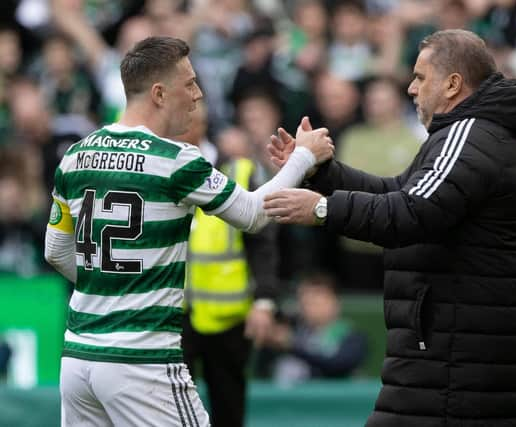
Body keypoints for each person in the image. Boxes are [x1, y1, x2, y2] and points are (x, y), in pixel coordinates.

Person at [43, 36, 333, 426]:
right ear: (160, 93)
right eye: (190, 83)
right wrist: (303, 156)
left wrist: (111, 290)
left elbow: (55, 251)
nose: (198, 95)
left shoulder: (75, 157)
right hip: (142, 361)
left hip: (79, 358)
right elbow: (252, 214)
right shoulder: (174, 160)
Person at [265, 29, 516, 426]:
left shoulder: (470, 134)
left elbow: (409, 212)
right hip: (454, 364)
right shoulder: (467, 133)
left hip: (455, 369)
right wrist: (321, 171)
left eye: (420, 77)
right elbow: (398, 191)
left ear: (452, 84)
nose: (411, 89)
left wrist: (324, 209)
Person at [180, 106, 280, 427]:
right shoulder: (161, 169)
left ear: (200, 123)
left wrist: (264, 300)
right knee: (171, 411)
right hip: (174, 315)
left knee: (229, 407)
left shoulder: (238, 171)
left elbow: (262, 242)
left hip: (229, 316)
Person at [263, 272, 367, 385]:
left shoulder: (351, 336)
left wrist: (291, 345)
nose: (309, 307)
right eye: (305, 301)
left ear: (335, 303)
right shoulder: (295, 331)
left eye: (316, 301)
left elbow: (338, 364)